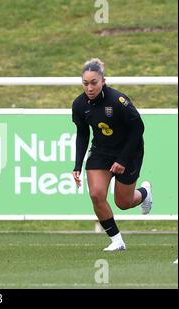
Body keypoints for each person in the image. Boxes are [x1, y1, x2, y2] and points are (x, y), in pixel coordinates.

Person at [72, 58, 152, 252]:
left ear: (103, 81)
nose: (89, 88)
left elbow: (138, 129)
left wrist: (122, 160)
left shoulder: (118, 101)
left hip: (129, 150)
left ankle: (145, 193)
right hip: (101, 151)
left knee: (123, 203)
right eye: (85, 83)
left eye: (94, 83)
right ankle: (117, 240)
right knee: (96, 194)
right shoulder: (79, 104)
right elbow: (83, 134)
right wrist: (77, 165)